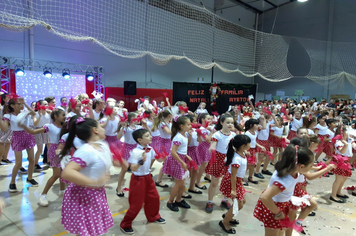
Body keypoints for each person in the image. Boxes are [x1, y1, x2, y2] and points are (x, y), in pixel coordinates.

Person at [60, 116, 126, 236]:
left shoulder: (102, 145)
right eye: (101, 126)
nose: (103, 128)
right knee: (86, 231)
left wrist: (119, 162)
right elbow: (67, 172)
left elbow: (106, 161)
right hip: (83, 196)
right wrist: (92, 181)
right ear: (95, 130)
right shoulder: (86, 151)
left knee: (91, 229)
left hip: (96, 193)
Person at [253, 145, 314, 236]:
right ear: (301, 166)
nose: (311, 168)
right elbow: (265, 197)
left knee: (280, 231)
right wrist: (277, 212)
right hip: (273, 206)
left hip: (282, 204)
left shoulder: (292, 170)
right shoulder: (285, 181)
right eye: (311, 166)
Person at [120, 129, 165, 234]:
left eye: (150, 135)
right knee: (136, 204)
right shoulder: (136, 152)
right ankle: (125, 224)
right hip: (138, 180)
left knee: (154, 198)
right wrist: (140, 162)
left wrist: (163, 156)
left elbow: (158, 159)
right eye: (147, 136)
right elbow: (133, 168)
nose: (151, 137)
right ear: (140, 140)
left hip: (148, 177)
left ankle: (153, 216)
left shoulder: (150, 148)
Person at [20, 109, 66, 206]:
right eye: (63, 115)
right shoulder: (49, 126)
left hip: (64, 150)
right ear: (56, 116)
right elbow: (33, 131)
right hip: (54, 150)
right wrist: (23, 126)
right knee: (57, 174)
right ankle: (43, 194)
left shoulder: (65, 126)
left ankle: (62, 191)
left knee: (63, 172)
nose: (64, 117)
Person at [219, 134, 250, 234]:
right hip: (233, 182)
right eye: (249, 143)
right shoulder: (237, 159)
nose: (250, 145)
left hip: (237, 181)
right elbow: (233, 175)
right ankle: (225, 222)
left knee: (242, 202)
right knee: (238, 205)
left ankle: (228, 215)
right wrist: (233, 189)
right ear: (243, 146)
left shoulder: (241, 153)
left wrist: (245, 152)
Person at [205, 114, 236, 213]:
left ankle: (225, 200)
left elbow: (235, 148)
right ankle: (210, 201)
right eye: (228, 122)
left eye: (232, 122)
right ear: (222, 123)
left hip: (229, 160)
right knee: (214, 182)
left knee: (228, 182)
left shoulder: (233, 135)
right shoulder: (217, 135)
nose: (230, 124)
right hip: (218, 160)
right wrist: (211, 149)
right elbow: (213, 145)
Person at [162, 115, 193, 211]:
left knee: (183, 183)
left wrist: (187, 157)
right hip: (176, 160)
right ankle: (170, 201)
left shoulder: (185, 135)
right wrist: (182, 162)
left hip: (181, 159)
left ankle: (178, 200)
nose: (190, 126)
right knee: (179, 183)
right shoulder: (178, 137)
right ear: (182, 126)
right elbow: (173, 152)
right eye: (188, 124)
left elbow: (182, 149)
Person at [330, 125, 355, 203]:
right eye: (347, 131)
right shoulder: (338, 142)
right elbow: (342, 151)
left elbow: (354, 146)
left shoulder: (349, 139)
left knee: (344, 178)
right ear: (343, 132)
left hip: (346, 161)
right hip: (340, 161)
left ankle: (338, 192)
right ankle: (333, 195)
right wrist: (346, 145)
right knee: (339, 179)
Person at [244, 119, 266, 184]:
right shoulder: (247, 133)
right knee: (247, 165)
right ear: (251, 125)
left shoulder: (255, 133)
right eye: (256, 124)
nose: (257, 126)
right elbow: (244, 143)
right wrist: (245, 150)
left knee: (253, 165)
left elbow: (254, 142)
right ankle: (241, 178)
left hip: (253, 150)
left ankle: (250, 177)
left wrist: (261, 146)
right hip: (248, 150)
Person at [195, 113, 213, 189]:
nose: (210, 121)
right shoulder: (203, 129)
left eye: (211, 119)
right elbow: (208, 140)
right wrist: (212, 132)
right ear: (203, 119)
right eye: (208, 119)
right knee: (202, 166)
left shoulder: (207, 128)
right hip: (203, 148)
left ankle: (207, 175)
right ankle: (198, 182)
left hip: (207, 148)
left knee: (205, 165)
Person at [33, 100, 51, 172]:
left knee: (49, 147)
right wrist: (40, 116)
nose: (46, 106)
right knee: (40, 149)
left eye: (47, 104)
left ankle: (49, 161)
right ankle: (36, 164)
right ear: (39, 105)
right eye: (44, 104)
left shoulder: (49, 113)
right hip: (38, 130)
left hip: (47, 130)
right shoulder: (35, 114)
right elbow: (35, 124)